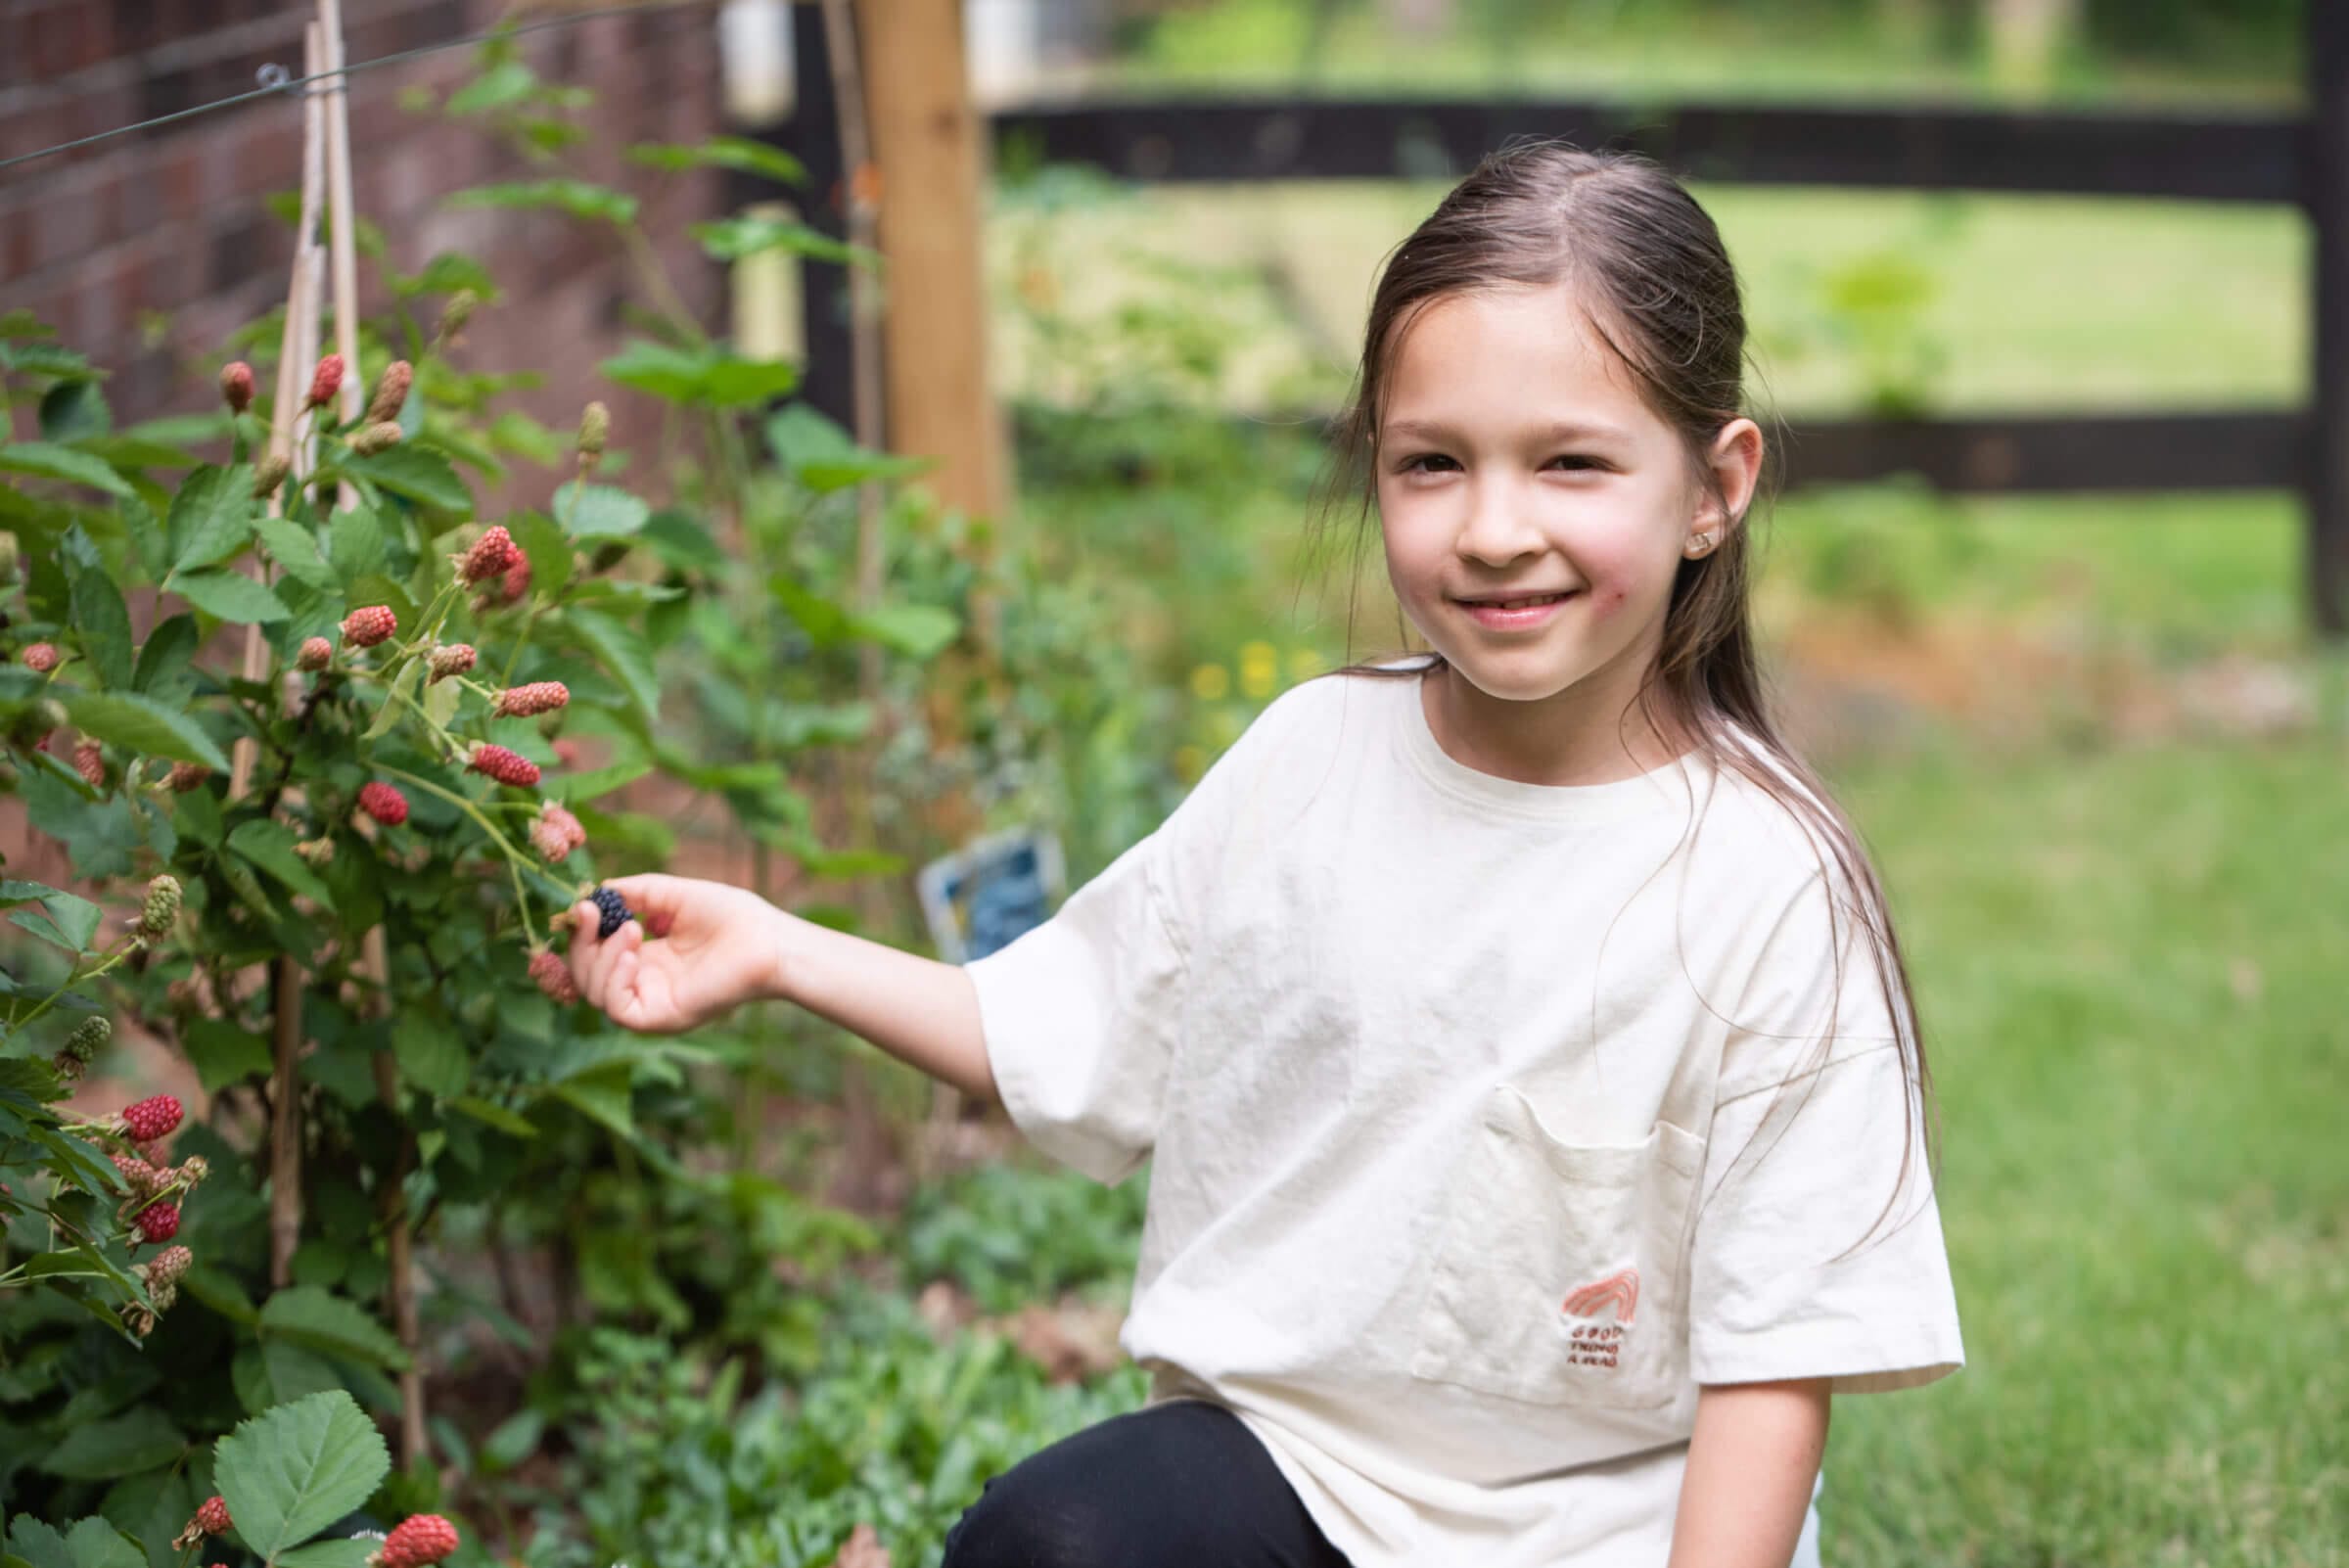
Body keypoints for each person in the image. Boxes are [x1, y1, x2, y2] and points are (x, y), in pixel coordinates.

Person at [563, 138, 1965, 1568]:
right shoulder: (1310, 764)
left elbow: (1776, 1360)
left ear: (1715, 485)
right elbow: (1068, 1017)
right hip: (1300, 1479)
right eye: (1434, 463)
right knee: (1046, 1542)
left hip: (1598, 1528)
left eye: (1570, 463)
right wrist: (779, 949)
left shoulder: (1767, 886)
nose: (1493, 530)